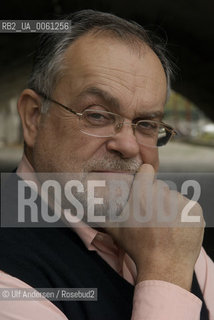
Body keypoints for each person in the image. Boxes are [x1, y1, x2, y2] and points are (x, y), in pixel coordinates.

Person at [0, 9, 213, 320]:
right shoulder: (10, 272)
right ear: (34, 117)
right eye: (97, 115)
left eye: (146, 123)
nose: (127, 145)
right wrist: (165, 272)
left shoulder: (168, 228)